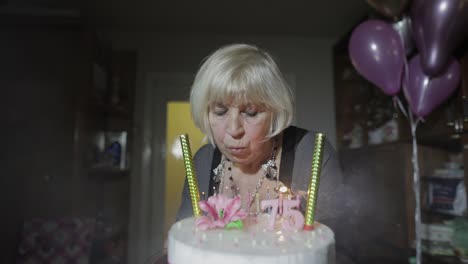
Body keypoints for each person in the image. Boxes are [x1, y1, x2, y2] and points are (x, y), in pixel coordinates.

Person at [176, 43, 353, 262]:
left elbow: (338, 250)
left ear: (275, 112)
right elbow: (183, 242)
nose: (233, 130)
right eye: (220, 111)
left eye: (250, 113)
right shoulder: (202, 161)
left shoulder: (311, 153)